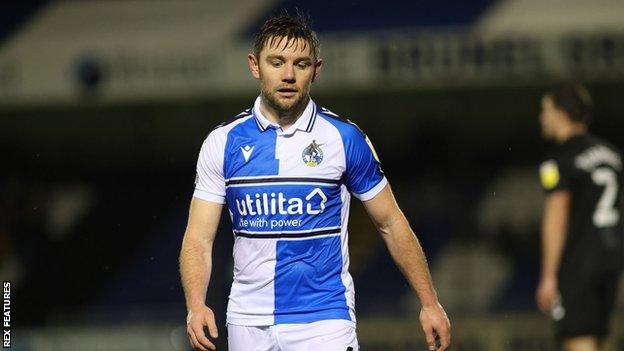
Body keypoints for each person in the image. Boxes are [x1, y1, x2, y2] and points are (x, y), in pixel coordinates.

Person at [179, 14, 450, 351]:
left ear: (316, 69)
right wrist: (195, 304)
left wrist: (429, 302)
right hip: (248, 320)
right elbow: (199, 237)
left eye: (301, 64)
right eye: (276, 62)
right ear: (254, 65)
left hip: (324, 319)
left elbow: (391, 222)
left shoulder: (344, 139)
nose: (288, 75)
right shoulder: (222, 143)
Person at [536, 84, 623, 351]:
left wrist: (549, 275)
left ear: (561, 114)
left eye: (546, 110)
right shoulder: (612, 156)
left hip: (579, 263)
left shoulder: (558, 161)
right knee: (599, 339)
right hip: (612, 259)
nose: (542, 117)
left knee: (579, 340)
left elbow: (556, 217)